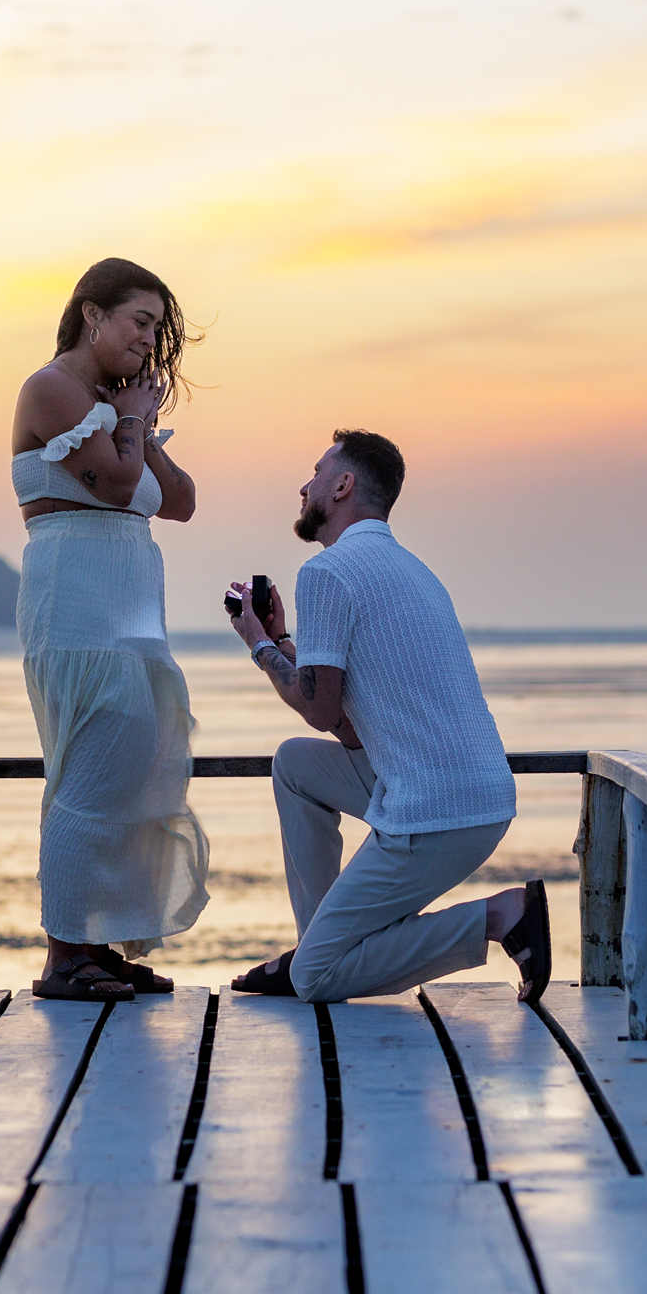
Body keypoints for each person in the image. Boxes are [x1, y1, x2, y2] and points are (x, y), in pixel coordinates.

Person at [224, 430, 550, 1005]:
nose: (304, 485)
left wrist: (258, 645)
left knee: (316, 981)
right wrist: (282, 640)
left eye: (318, 471)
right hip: (476, 795)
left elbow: (320, 709)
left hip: (435, 813)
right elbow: (347, 726)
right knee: (295, 765)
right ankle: (316, 943)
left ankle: (500, 918)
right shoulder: (414, 571)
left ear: (344, 485)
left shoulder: (327, 574)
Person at [11, 258, 210, 1001]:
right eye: (139, 322)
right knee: (88, 774)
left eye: (156, 328)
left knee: (134, 766)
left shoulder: (116, 407)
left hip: (132, 612)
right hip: (78, 604)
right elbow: (123, 485)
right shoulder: (52, 389)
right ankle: (65, 955)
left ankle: (100, 939)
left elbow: (181, 501)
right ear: (92, 315)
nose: (148, 340)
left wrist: (141, 422)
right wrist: (132, 420)